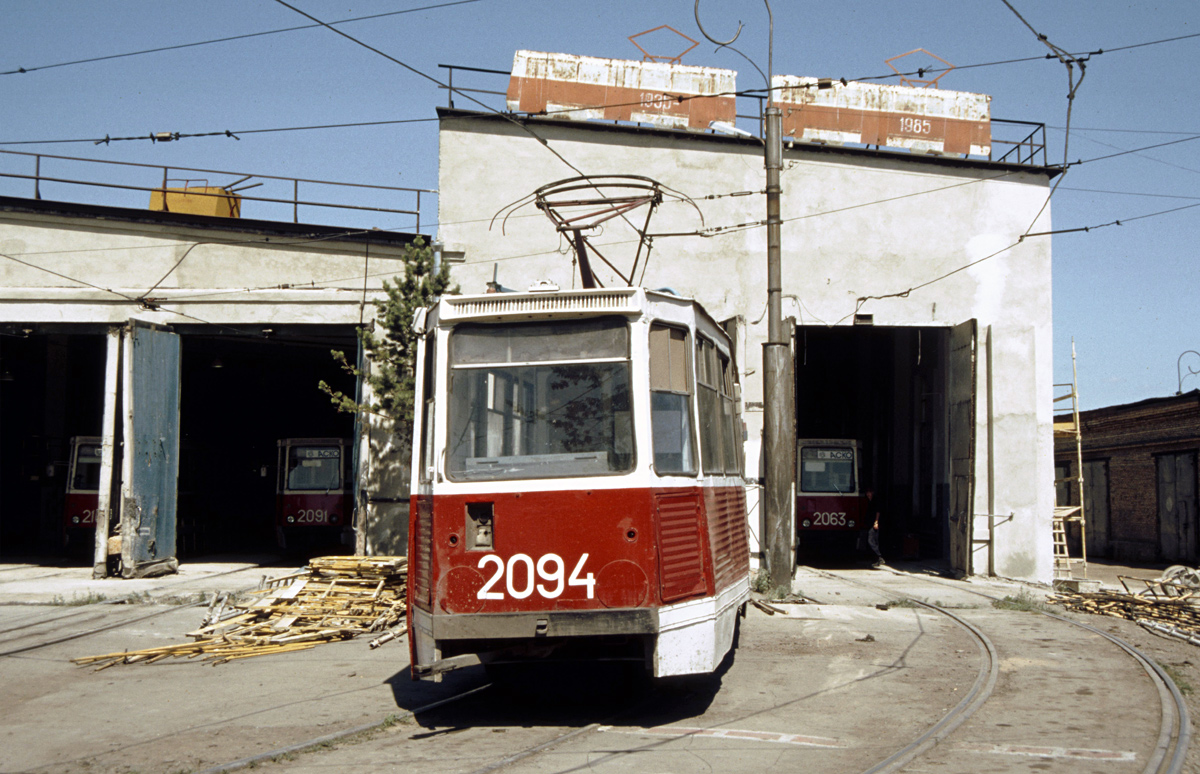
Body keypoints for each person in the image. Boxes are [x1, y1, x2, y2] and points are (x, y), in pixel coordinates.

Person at [864, 488, 884, 568]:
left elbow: (878, 511)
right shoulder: (869, 500)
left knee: (871, 540)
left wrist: (876, 522)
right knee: (874, 540)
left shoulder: (875, 500)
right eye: (867, 493)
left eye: (869, 492)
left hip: (874, 523)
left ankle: (879, 556)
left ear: (872, 492)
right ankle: (876, 559)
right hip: (870, 523)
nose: (868, 494)